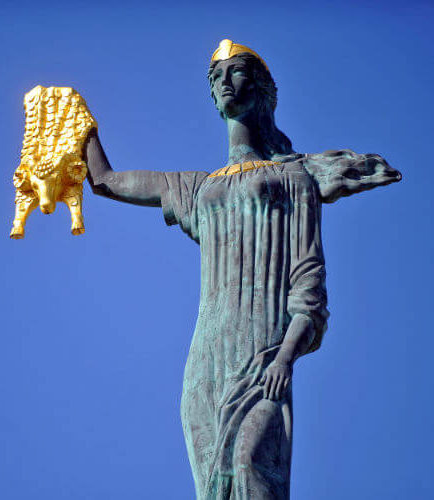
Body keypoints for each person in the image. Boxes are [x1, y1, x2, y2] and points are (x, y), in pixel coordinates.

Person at [83, 39, 401, 500]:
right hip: (207, 356)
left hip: (264, 348)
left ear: (263, 89)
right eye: (216, 77)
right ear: (211, 97)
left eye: (236, 72)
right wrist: (78, 121)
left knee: (252, 465)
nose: (225, 82)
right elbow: (106, 181)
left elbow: (307, 276)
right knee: (213, 485)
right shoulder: (197, 189)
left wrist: (286, 356)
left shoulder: (294, 177)